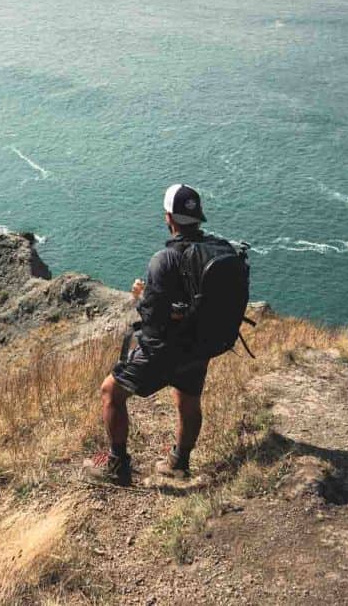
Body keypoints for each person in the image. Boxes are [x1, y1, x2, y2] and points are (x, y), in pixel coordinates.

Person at [82, 183, 231, 485]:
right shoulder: (218, 250)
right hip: (201, 344)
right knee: (188, 399)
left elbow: (153, 317)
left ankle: (117, 466)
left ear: (169, 218)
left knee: (111, 391)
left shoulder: (164, 259)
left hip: (166, 348)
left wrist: (143, 297)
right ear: (198, 216)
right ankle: (179, 463)